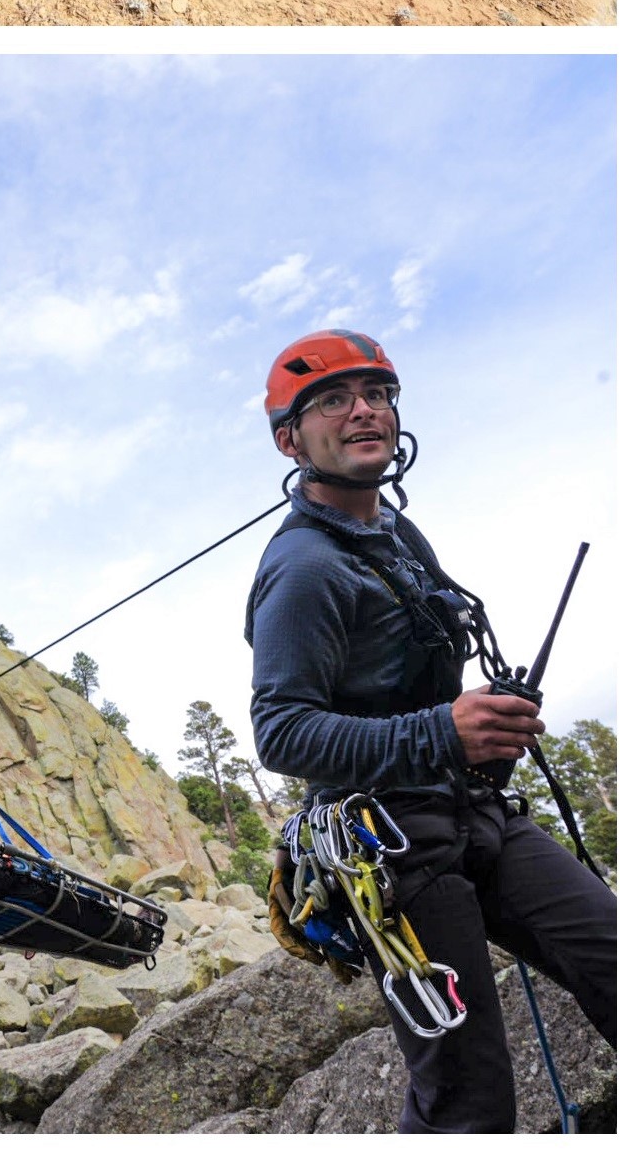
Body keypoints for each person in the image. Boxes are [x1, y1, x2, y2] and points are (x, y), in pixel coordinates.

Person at [245, 328, 616, 1132]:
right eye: (334, 401)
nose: (365, 411)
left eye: (378, 395)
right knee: (466, 1097)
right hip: (390, 847)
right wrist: (444, 732)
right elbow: (280, 730)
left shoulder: (398, 538)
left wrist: (476, 719)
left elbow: (413, 688)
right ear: (290, 438)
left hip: (472, 813)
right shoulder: (304, 569)